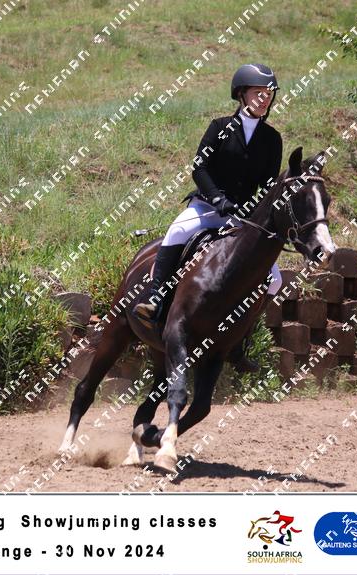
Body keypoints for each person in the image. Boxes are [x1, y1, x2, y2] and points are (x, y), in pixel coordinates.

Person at [133, 63, 284, 372]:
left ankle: (241, 338)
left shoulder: (272, 139)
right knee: (177, 231)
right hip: (207, 207)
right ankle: (157, 299)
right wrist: (217, 198)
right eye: (258, 93)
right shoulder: (219, 127)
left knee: (275, 280)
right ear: (241, 94)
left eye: (269, 94)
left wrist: (250, 210)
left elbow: (269, 186)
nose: (264, 99)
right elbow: (199, 168)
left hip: (243, 220)